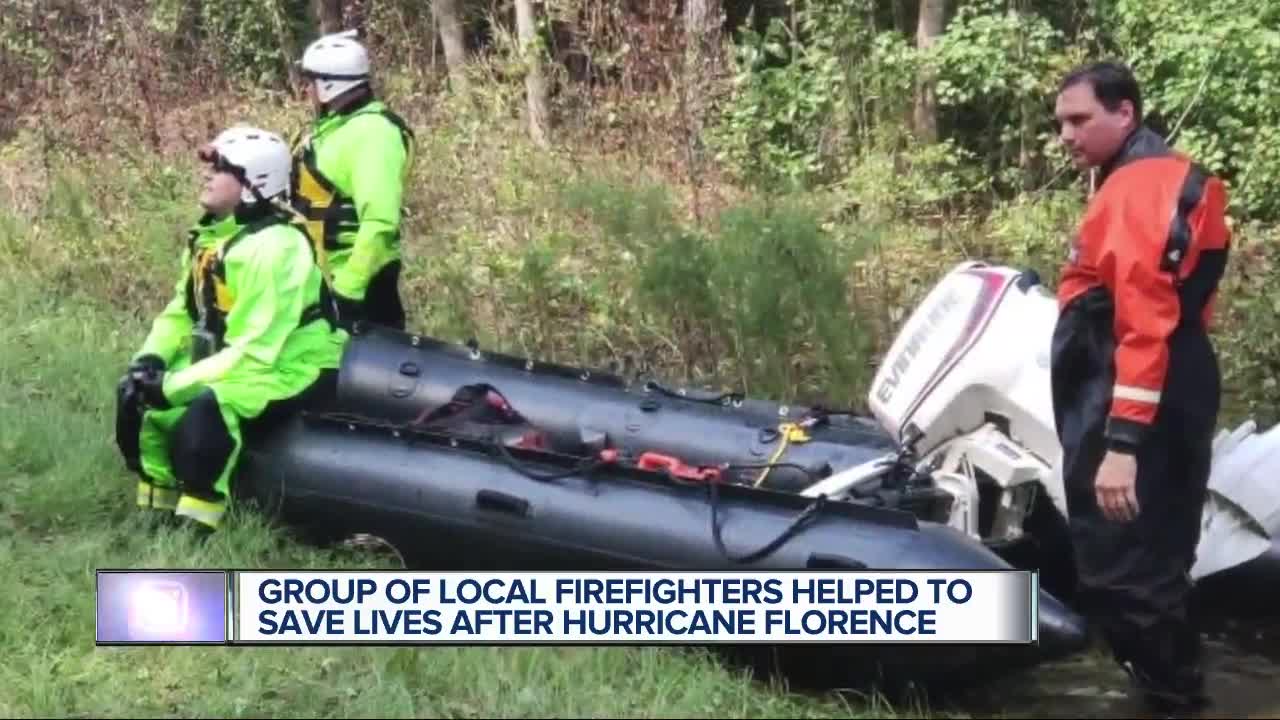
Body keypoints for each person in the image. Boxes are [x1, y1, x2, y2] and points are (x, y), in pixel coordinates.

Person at [1049, 61, 1231, 712]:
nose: (1066, 135)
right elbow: (1187, 310)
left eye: (1079, 120)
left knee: (1123, 570)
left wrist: (1122, 444)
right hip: (1172, 380)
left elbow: (1146, 323)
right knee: (1158, 560)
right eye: (1060, 123)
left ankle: (1173, 701)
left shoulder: (1136, 191)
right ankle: (1175, 694)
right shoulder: (1162, 179)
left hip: (1130, 386)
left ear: (1124, 114)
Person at [115, 125, 349, 532]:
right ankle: (155, 512)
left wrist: (173, 386)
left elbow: (256, 350)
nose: (207, 175)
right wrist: (150, 360)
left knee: (209, 408)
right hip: (244, 357)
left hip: (293, 365)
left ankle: (199, 524)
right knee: (139, 399)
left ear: (251, 185)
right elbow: (184, 311)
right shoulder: (213, 238)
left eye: (221, 169)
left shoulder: (277, 248)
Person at [291, 29, 415, 331]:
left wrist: (347, 292)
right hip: (320, 282)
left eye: (310, 82)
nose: (305, 90)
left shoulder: (374, 133)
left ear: (329, 84)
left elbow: (380, 222)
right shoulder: (333, 129)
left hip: (359, 293)